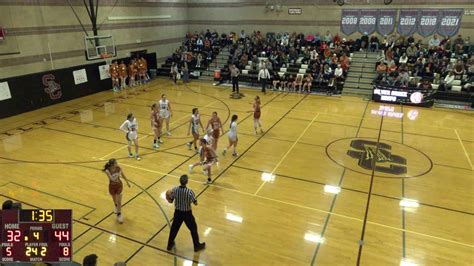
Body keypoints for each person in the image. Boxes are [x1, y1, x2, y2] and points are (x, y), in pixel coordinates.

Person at [166, 175, 206, 252]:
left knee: (174, 229)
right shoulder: (189, 192)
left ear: (180, 181)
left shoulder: (174, 190)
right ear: (187, 182)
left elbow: (170, 201)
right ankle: (197, 246)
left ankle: (169, 245)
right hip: (187, 214)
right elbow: (195, 203)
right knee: (193, 229)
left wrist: (167, 197)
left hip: (177, 213)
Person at [103, 159, 131, 223]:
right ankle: (116, 206)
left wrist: (127, 182)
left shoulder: (118, 168)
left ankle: (119, 215)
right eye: (116, 163)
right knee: (114, 200)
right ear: (112, 165)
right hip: (112, 186)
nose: (117, 164)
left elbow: (123, 175)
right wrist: (118, 174)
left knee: (119, 201)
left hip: (119, 185)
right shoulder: (107, 171)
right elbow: (112, 179)